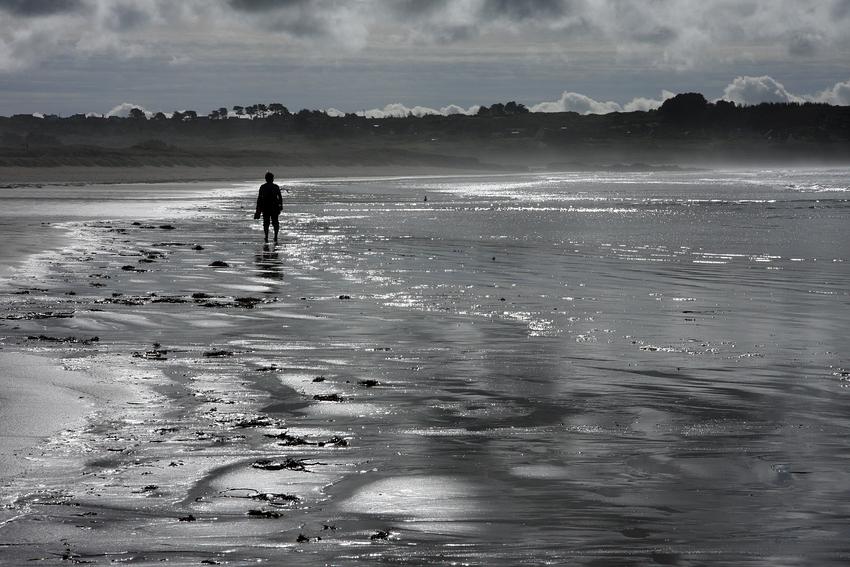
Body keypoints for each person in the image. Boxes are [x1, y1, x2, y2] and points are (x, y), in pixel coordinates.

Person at [254, 171, 288, 242]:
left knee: (266, 222)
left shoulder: (263, 187)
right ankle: (275, 236)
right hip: (274, 207)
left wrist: (258, 209)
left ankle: (266, 236)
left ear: (266, 179)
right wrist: (281, 205)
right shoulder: (275, 187)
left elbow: (259, 198)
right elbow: (280, 197)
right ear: (272, 179)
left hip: (265, 207)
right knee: (275, 222)